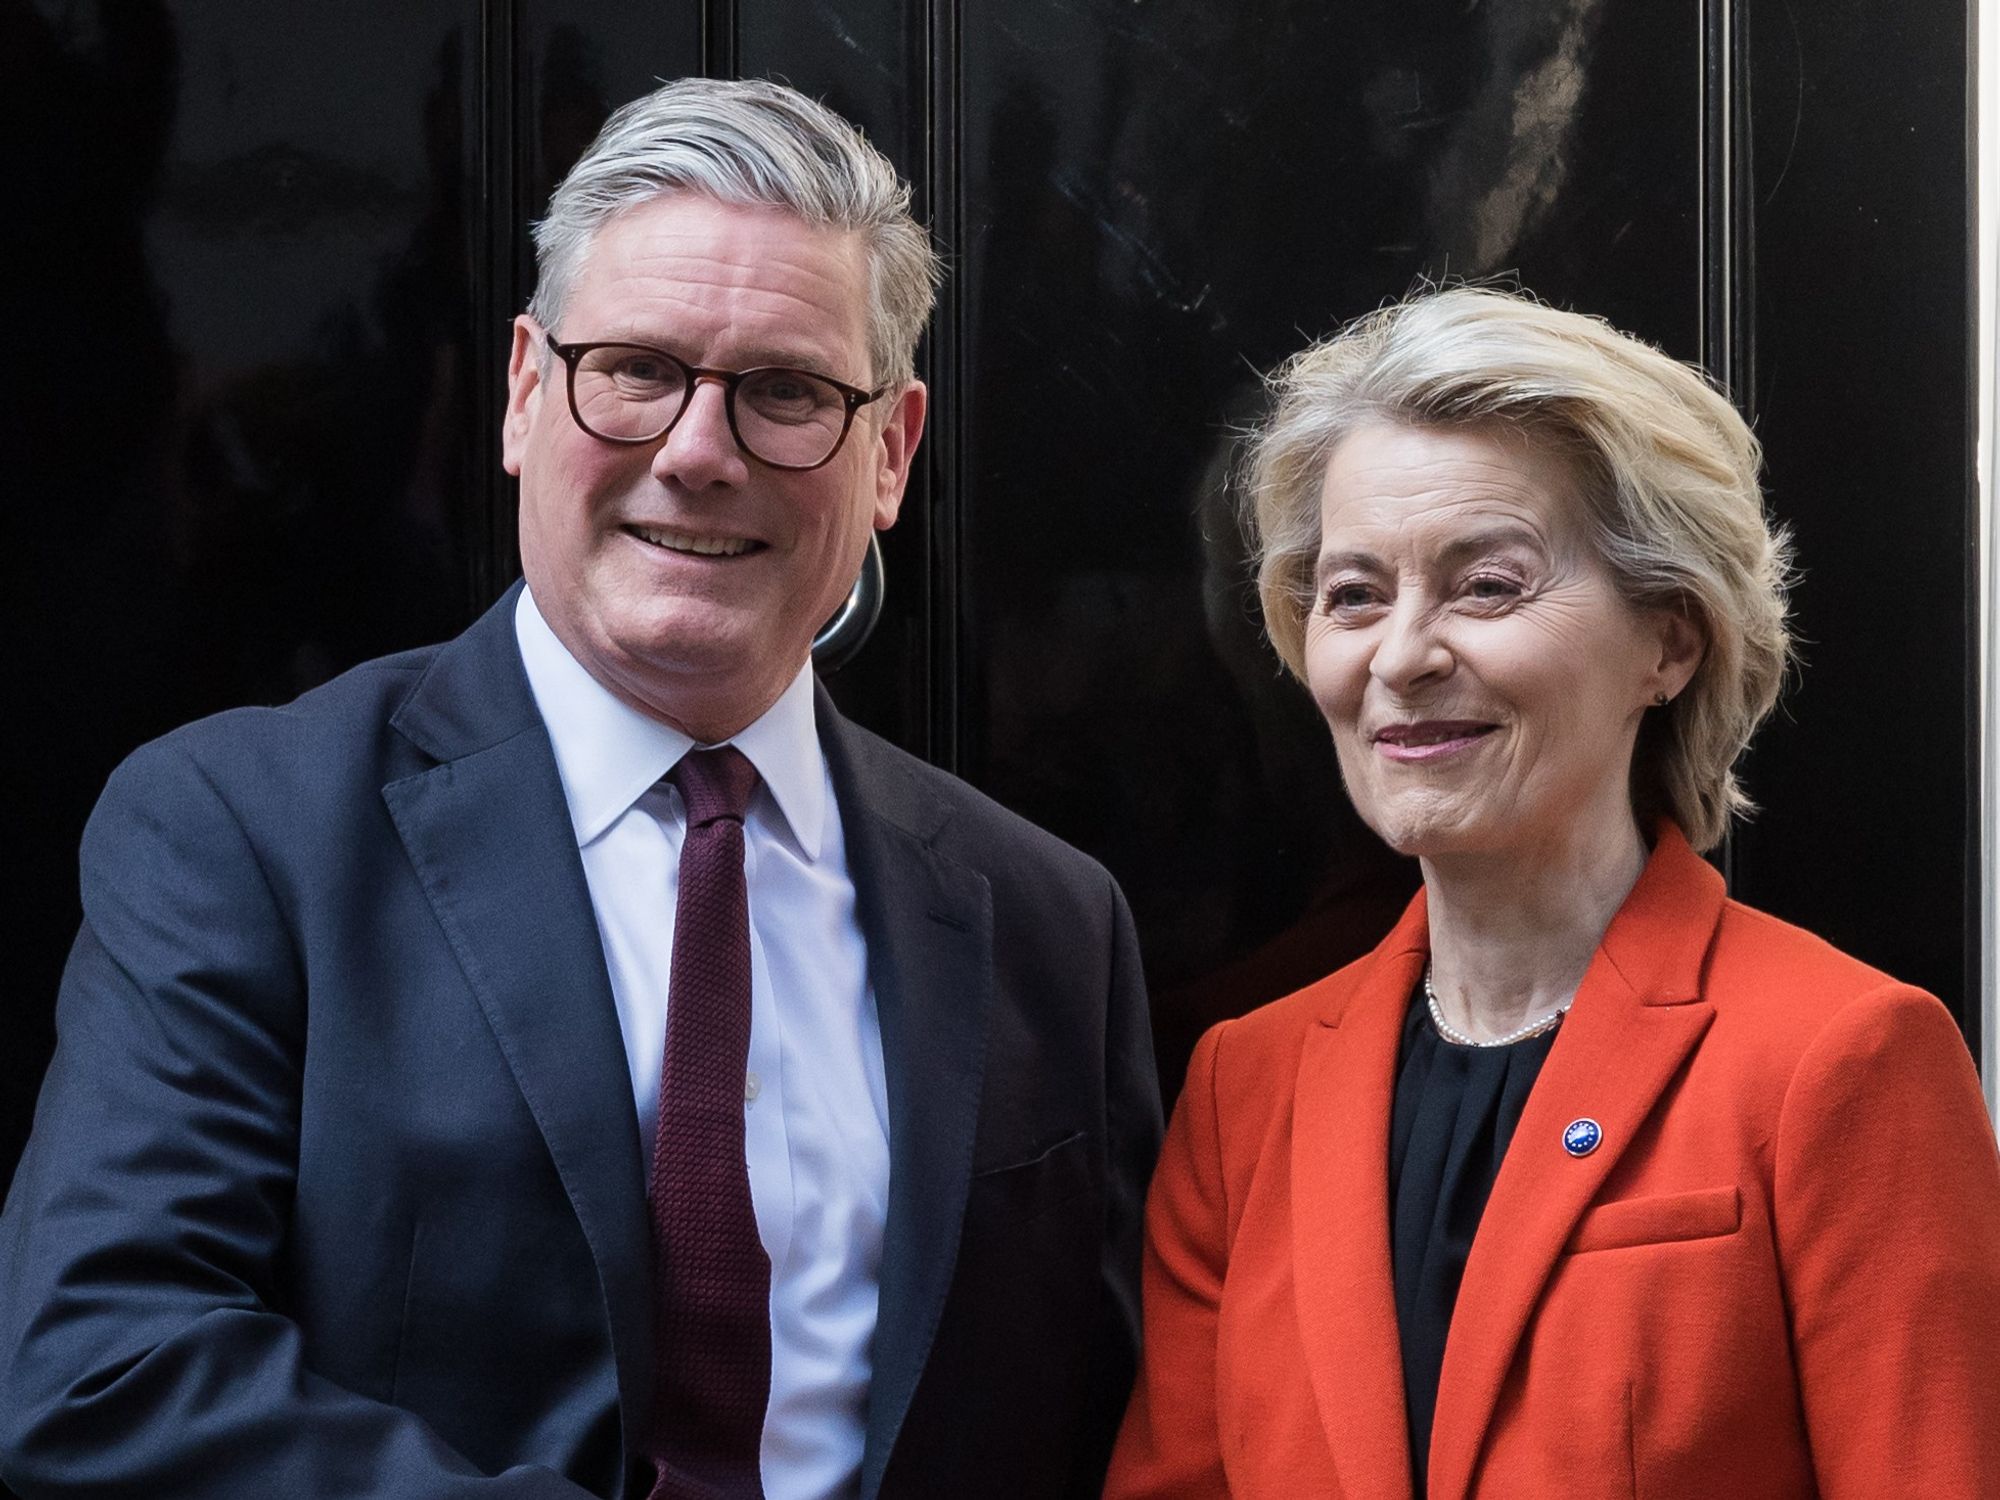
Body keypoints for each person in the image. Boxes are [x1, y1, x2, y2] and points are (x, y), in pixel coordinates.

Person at [0, 77, 1161, 1499]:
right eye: (637, 371)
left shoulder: (1049, 922)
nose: (696, 452)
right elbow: (111, 1370)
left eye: (786, 392)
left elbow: (1108, 1427)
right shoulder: (245, 833)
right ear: (523, 393)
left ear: (892, 457)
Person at [1104, 286, 2000, 1498]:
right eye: (1354, 593)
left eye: (1486, 585)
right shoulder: (1239, 1093)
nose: (1402, 655)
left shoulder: (1839, 1058)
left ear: (1668, 642)